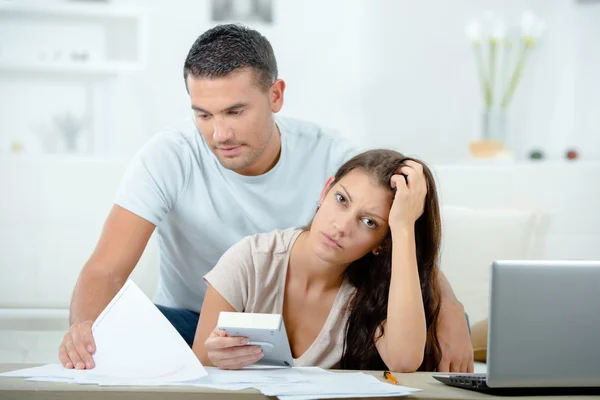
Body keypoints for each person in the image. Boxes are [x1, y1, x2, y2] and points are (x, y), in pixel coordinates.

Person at [58, 24, 473, 373]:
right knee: (115, 331)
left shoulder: (330, 153)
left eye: (235, 112)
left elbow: (383, 221)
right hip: (194, 320)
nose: (219, 134)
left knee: (433, 324)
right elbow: (106, 269)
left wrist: (450, 306)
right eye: (203, 114)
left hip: (307, 322)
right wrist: (87, 329)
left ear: (275, 95)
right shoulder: (168, 155)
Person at [195, 150, 441, 371]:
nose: (341, 227)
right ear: (325, 191)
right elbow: (201, 365)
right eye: (342, 199)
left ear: (383, 243)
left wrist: (403, 227)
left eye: (369, 222)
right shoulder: (252, 259)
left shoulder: (374, 290)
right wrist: (217, 357)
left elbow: (404, 361)